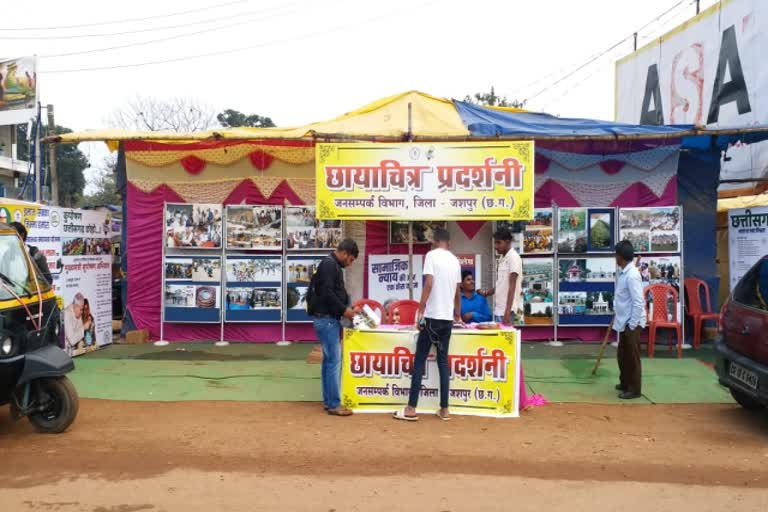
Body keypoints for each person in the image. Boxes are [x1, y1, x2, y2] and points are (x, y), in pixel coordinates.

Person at [394, 228, 461, 422]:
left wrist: (421, 308)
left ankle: (411, 408)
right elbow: (457, 292)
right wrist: (457, 313)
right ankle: (445, 409)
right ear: (448, 241)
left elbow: (429, 283)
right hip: (447, 320)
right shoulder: (455, 261)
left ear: (436, 240)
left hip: (431, 318)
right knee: (442, 363)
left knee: (419, 361)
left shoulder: (431, 256)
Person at [308, 238, 360, 417]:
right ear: (345, 253)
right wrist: (344, 310)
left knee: (328, 361)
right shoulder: (330, 265)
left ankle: (329, 400)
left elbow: (334, 292)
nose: (350, 263)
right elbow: (328, 293)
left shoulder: (331, 265)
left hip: (326, 318)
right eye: (351, 259)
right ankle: (334, 404)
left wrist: (348, 307)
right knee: (334, 361)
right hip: (327, 319)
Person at [614, 240, 647, 400]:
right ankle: (625, 382)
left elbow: (638, 301)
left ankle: (634, 389)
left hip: (631, 322)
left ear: (620, 257)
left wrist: (632, 324)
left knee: (632, 357)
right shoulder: (624, 272)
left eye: (616, 255)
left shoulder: (632, 275)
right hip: (623, 320)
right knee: (622, 354)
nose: (615, 258)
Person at [479, 229, 522, 325]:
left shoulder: (513, 258)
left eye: (499, 243)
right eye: (495, 243)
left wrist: (507, 312)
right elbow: (501, 283)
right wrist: (487, 293)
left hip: (506, 311)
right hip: (499, 309)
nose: (496, 246)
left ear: (507, 242)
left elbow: (512, 286)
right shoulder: (502, 258)